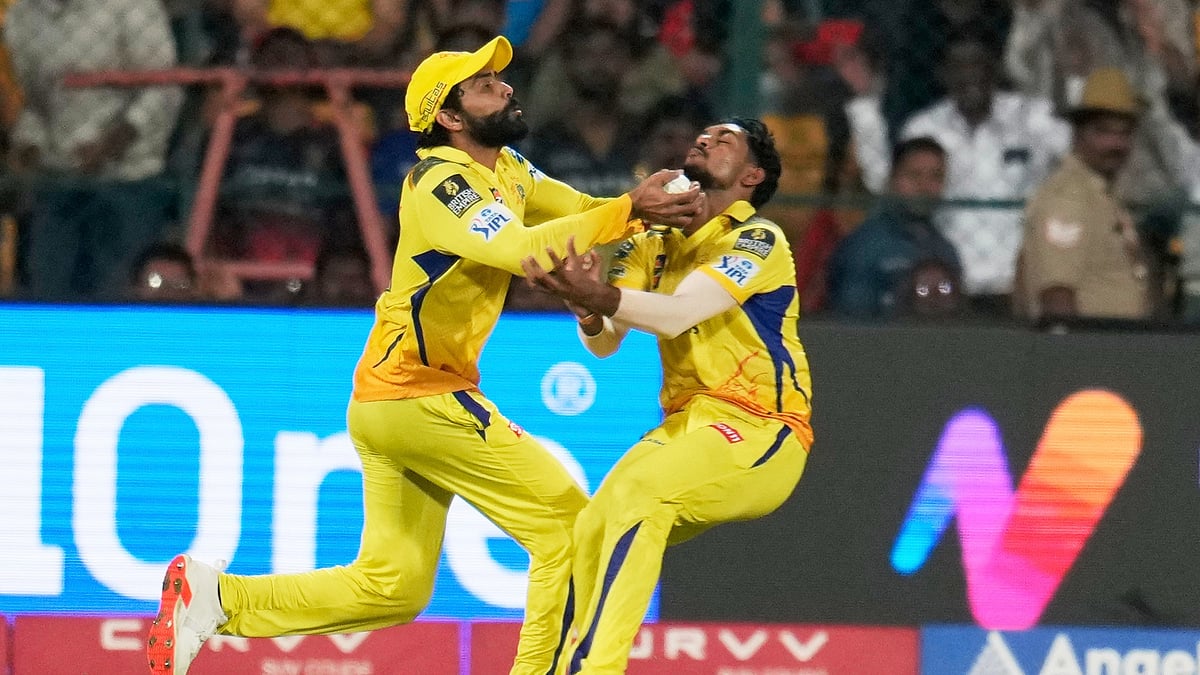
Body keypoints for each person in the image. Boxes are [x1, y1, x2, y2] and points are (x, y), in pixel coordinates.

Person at [145, 35, 702, 675]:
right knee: (570, 527)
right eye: (486, 84)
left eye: (502, 79)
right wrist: (631, 210)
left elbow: (582, 213)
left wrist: (651, 206)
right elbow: (521, 249)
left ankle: (217, 598)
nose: (508, 86)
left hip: (398, 397)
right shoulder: (441, 183)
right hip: (418, 394)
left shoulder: (511, 171)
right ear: (451, 117)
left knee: (395, 585)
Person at [519, 118, 811, 674]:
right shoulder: (652, 242)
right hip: (685, 423)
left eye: (725, 140)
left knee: (639, 499)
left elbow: (676, 316)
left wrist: (596, 292)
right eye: (702, 135)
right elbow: (604, 343)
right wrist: (585, 305)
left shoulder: (757, 239)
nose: (705, 140)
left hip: (760, 428)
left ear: (751, 176)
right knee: (592, 524)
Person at [5, 0, 183, 299]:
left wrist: (115, 141)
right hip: (57, 179)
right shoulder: (23, 14)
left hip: (129, 179)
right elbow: (36, 104)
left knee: (118, 296)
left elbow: (165, 88)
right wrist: (29, 142)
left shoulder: (131, 7)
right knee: (50, 295)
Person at [1015, 67, 1154, 321]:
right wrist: (1075, 359)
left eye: (1124, 133)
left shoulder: (1101, 195)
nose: (1116, 144)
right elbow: (1057, 295)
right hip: (1091, 354)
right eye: (1103, 131)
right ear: (1078, 134)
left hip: (1116, 350)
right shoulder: (1068, 197)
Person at [826, 137, 962, 319]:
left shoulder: (944, 249)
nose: (924, 186)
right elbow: (853, 322)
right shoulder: (866, 245)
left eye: (936, 176)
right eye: (914, 175)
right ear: (893, 179)